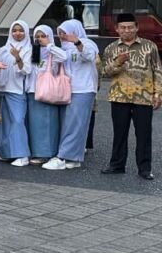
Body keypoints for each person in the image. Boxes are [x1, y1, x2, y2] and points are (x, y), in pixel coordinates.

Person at [100, 13, 161, 179]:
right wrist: (118, 62)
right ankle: (117, 165)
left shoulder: (149, 46)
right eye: (123, 28)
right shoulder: (111, 48)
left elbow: (157, 70)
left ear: (137, 28)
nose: (127, 31)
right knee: (119, 133)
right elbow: (104, 72)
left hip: (144, 97)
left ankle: (144, 169)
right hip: (119, 96)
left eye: (130, 27)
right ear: (117, 29)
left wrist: (158, 93)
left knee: (144, 135)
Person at [43, 19, 99, 171]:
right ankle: (73, 158)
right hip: (67, 89)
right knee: (68, 124)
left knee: (75, 124)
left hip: (83, 89)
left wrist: (77, 42)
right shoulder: (63, 48)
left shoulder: (87, 43)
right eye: (60, 33)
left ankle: (63, 156)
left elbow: (89, 56)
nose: (62, 36)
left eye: (65, 33)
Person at [0, 21, 32, 166]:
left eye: (21, 30)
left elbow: (26, 70)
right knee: (4, 122)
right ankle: (7, 153)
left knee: (17, 121)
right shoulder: (3, 49)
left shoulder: (28, 49)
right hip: (2, 89)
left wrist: (17, 57)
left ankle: (22, 155)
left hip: (17, 89)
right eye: (14, 30)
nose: (17, 33)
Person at [28, 24, 66, 166]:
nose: (39, 39)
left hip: (48, 93)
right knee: (35, 125)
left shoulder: (53, 52)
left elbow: (64, 56)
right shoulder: (34, 51)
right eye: (37, 36)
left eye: (43, 36)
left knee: (47, 124)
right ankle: (37, 151)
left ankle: (47, 153)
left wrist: (49, 45)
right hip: (32, 92)